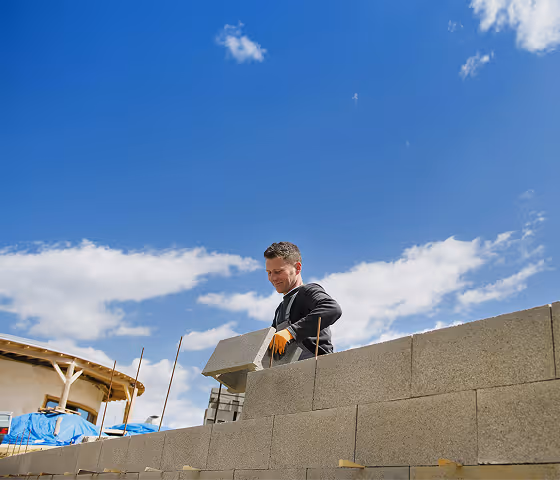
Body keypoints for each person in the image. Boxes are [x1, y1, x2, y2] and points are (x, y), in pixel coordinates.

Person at [264, 242, 342, 360]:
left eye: (278, 271)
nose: (273, 278)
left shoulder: (307, 292)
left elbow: (332, 308)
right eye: (269, 273)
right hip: (290, 372)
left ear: (297, 268)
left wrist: (291, 332)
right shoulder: (280, 310)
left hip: (318, 368)